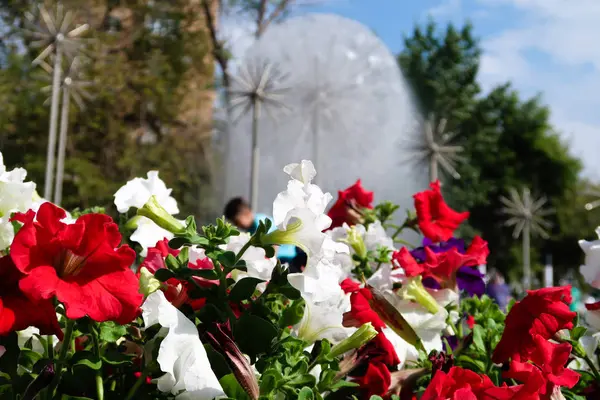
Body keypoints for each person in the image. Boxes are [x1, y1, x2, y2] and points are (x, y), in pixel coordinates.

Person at [223, 197, 304, 272]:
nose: (237, 226)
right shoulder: (250, 229)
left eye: (237, 222)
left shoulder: (260, 222)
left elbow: (274, 243)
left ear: (246, 213)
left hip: (290, 258)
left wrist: (271, 265)